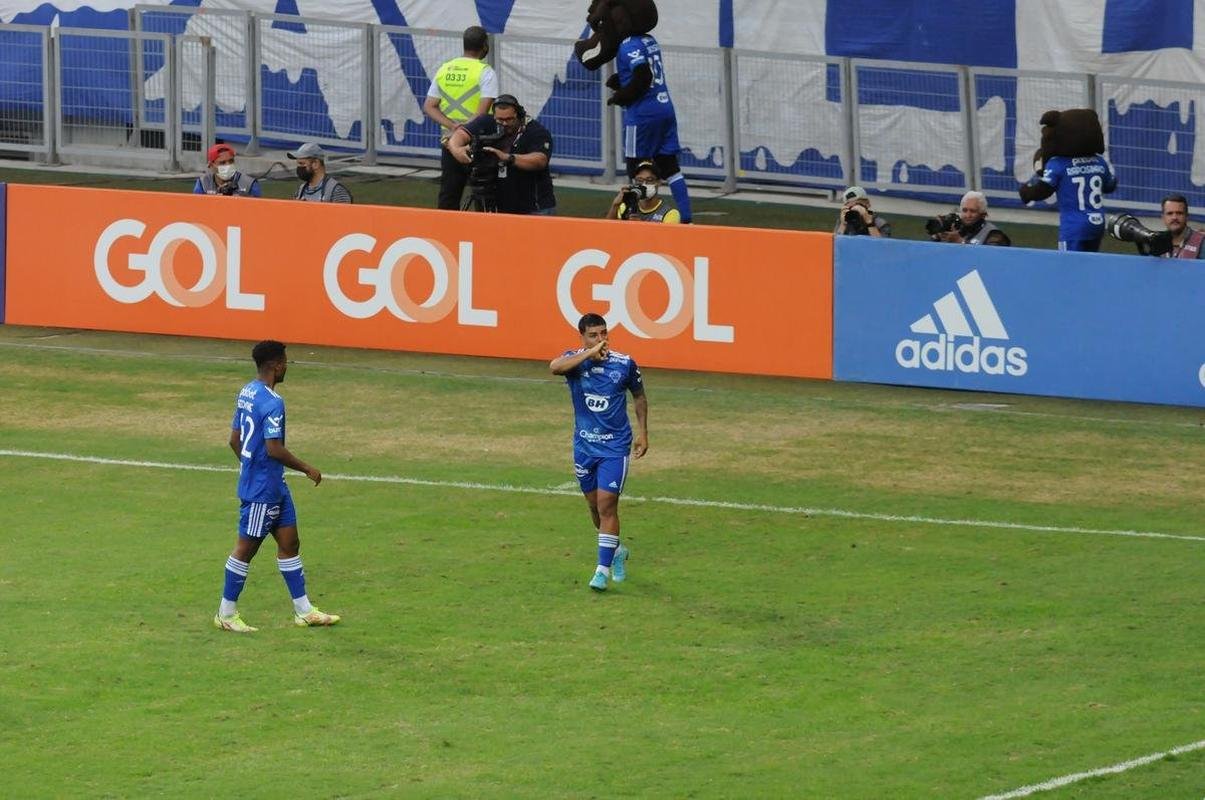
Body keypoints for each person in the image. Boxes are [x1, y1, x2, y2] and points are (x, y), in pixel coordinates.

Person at [214, 340, 340, 632]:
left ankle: (304, 611)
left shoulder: (247, 391)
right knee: (246, 548)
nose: (286, 366)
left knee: (290, 543)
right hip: (263, 490)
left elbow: (234, 440)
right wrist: (307, 468)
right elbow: (273, 448)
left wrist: (251, 467)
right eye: (284, 361)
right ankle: (226, 614)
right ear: (274, 365)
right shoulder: (273, 402)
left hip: (274, 485)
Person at [549, 313, 648, 592]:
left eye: (603, 334)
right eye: (593, 335)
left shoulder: (624, 363)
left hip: (615, 447)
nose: (600, 339)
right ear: (582, 336)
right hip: (584, 447)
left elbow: (639, 397)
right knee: (594, 506)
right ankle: (616, 552)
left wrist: (643, 433)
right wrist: (589, 355)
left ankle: (601, 571)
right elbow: (554, 367)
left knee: (607, 504)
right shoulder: (574, 362)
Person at [606, 31, 693, 223]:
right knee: (671, 168)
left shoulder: (628, 44)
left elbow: (643, 75)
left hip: (642, 114)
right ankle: (688, 221)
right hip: (665, 107)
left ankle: (631, 215)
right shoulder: (649, 39)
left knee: (634, 168)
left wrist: (621, 96)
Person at [424, 25, 498, 211]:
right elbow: (482, 112)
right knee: (484, 199)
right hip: (478, 144)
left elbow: (429, 106)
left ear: (464, 45)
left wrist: (453, 127)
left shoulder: (445, 69)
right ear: (484, 46)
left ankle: (445, 237)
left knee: (448, 197)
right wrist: (465, 131)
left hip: (450, 143)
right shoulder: (485, 72)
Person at [446, 94, 555, 215]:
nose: (504, 123)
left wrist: (506, 157)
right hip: (500, 201)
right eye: (500, 119)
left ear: (518, 115)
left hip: (533, 205)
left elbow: (540, 160)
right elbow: (459, 134)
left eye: (509, 119)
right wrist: (456, 149)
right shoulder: (487, 121)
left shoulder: (536, 132)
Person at [1019, 153, 1116, 251]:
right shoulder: (1099, 161)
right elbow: (1110, 186)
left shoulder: (1058, 163)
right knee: (1090, 263)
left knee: (1068, 264)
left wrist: (1027, 192)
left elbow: (1043, 190)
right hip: (1097, 224)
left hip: (1073, 226)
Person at [605, 159, 679, 222]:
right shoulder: (626, 207)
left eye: (649, 180)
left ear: (659, 183)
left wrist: (640, 226)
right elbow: (607, 231)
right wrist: (615, 205)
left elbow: (666, 238)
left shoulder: (669, 214)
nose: (644, 184)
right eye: (639, 180)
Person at [932, 191, 1011, 246]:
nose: (968, 215)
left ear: (983, 214)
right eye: (965, 210)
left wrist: (960, 242)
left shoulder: (994, 235)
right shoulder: (956, 229)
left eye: (973, 211)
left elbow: (991, 259)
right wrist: (938, 236)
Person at [287, 142, 353, 203]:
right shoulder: (300, 191)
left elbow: (344, 215)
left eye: (302, 163)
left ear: (316, 164)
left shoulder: (336, 191)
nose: (298, 167)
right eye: (298, 164)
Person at [194, 143, 261, 197]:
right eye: (222, 163)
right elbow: (197, 208)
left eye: (231, 161)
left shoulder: (249, 184)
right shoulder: (203, 184)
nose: (228, 165)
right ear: (211, 165)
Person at [1152, 194, 1205, 259]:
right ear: (1163, 218)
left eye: (1179, 213)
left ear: (1187, 216)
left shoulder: (1201, 242)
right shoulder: (1157, 242)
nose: (1174, 217)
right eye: (1170, 213)